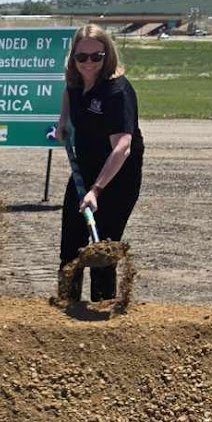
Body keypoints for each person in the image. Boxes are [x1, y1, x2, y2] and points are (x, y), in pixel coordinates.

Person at [57, 23, 143, 302]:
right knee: (71, 241)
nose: (89, 63)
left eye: (97, 56)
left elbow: (122, 148)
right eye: (82, 57)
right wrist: (62, 123)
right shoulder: (76, 81)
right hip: (85, 168)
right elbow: (70, 93)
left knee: (101, 246)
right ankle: (66, 305)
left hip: (117, 177)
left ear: (108, 56)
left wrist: (97, 190)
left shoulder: (117, 91)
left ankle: (102, 311)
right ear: (74, 58)